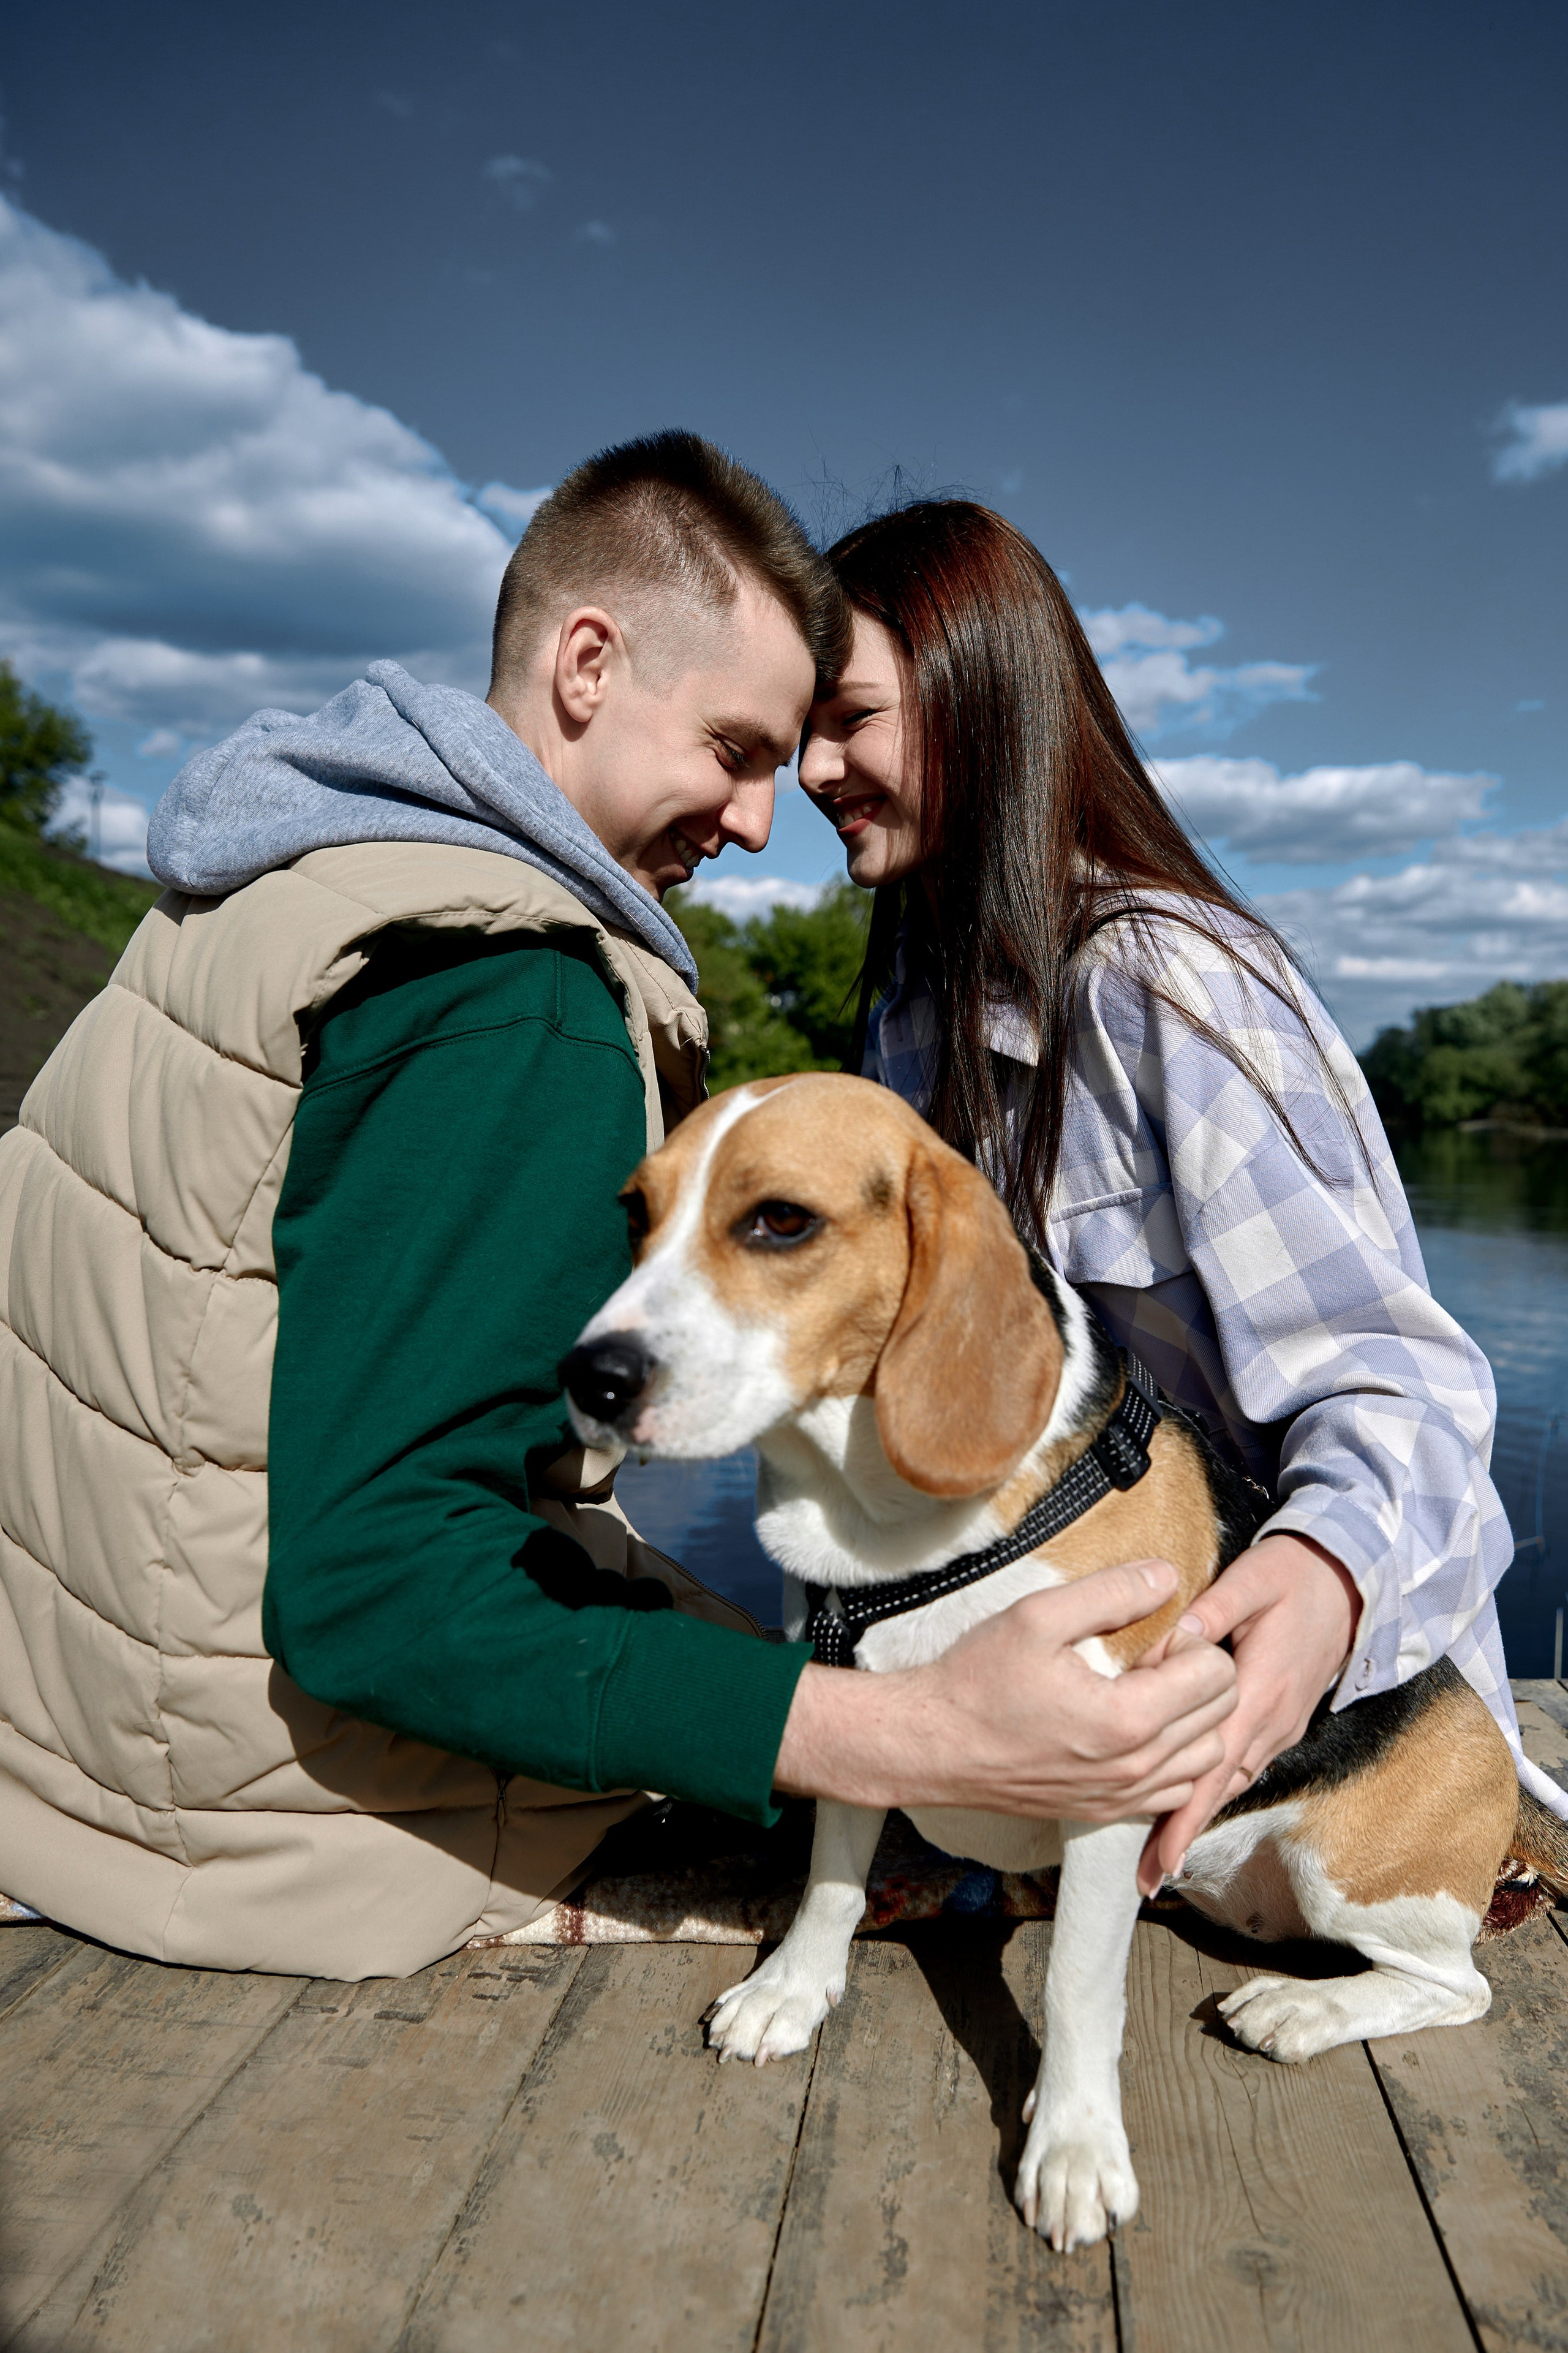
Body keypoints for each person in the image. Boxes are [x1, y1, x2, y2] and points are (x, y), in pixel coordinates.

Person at [0, 437, 1235, 1978]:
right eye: (735, 746)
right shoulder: (509, 997)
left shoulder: (274, 883)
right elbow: (380, 1593)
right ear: (587, 663)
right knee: (985, 1841)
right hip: (261, 1835)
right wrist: (902, 1727)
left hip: (68, 1745)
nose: (759, 819)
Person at [799, 496, 1567, 1898]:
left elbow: (1399, 1392)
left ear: (979, 694)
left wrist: (1326, 1586)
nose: (806, 766)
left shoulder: (1170, 985)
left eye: (844, 715)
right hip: (1068, 1746)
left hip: (1326, 1753)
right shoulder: (906, 1010)